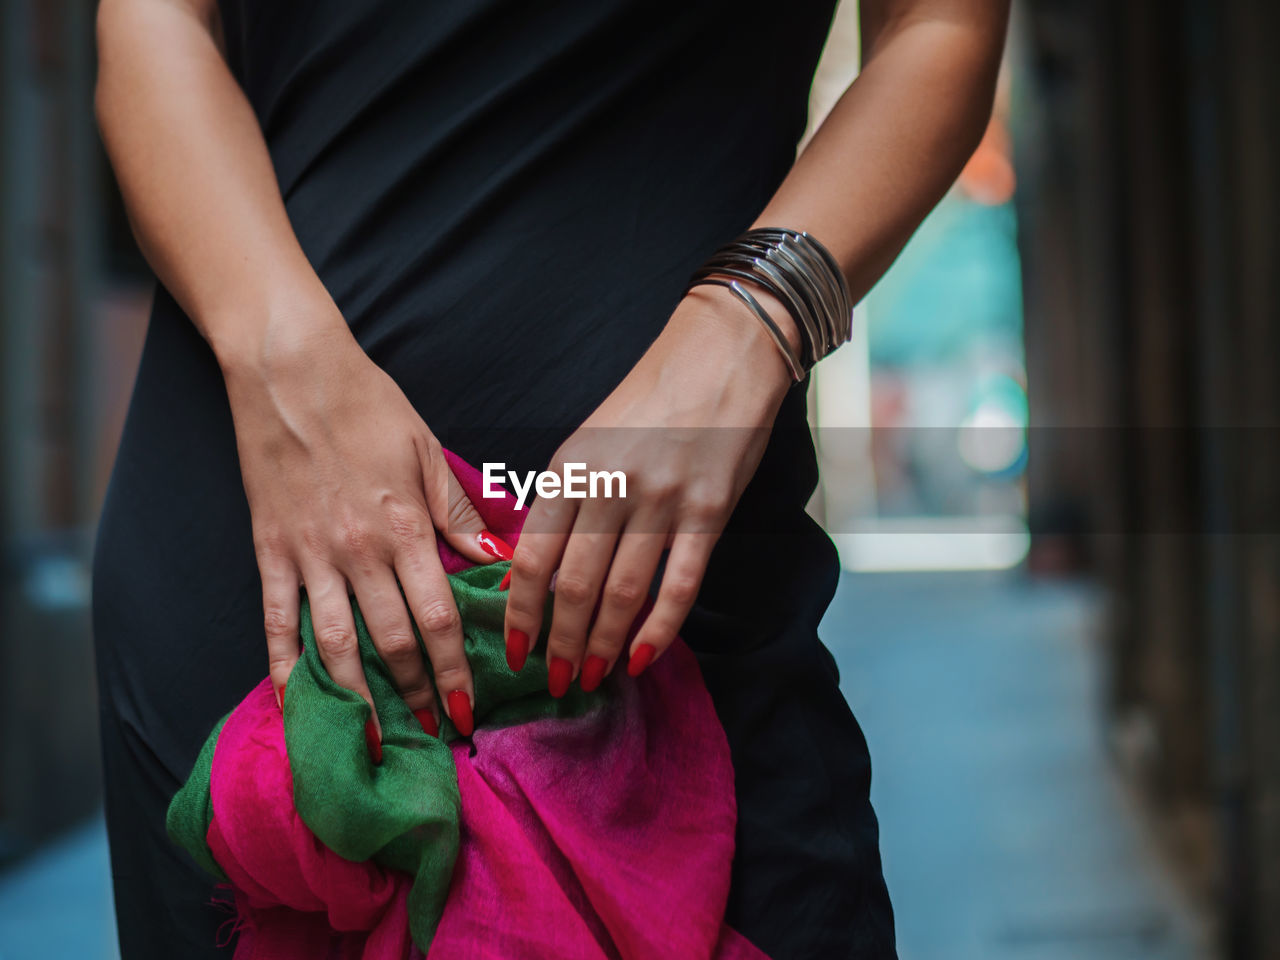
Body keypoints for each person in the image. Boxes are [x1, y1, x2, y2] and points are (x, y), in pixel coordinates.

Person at [92, 1, 1008, 957]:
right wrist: (286, 365)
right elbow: (154, 27)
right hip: (263, 591)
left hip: (666, 603)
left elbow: (939, 32)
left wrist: (746, 321)